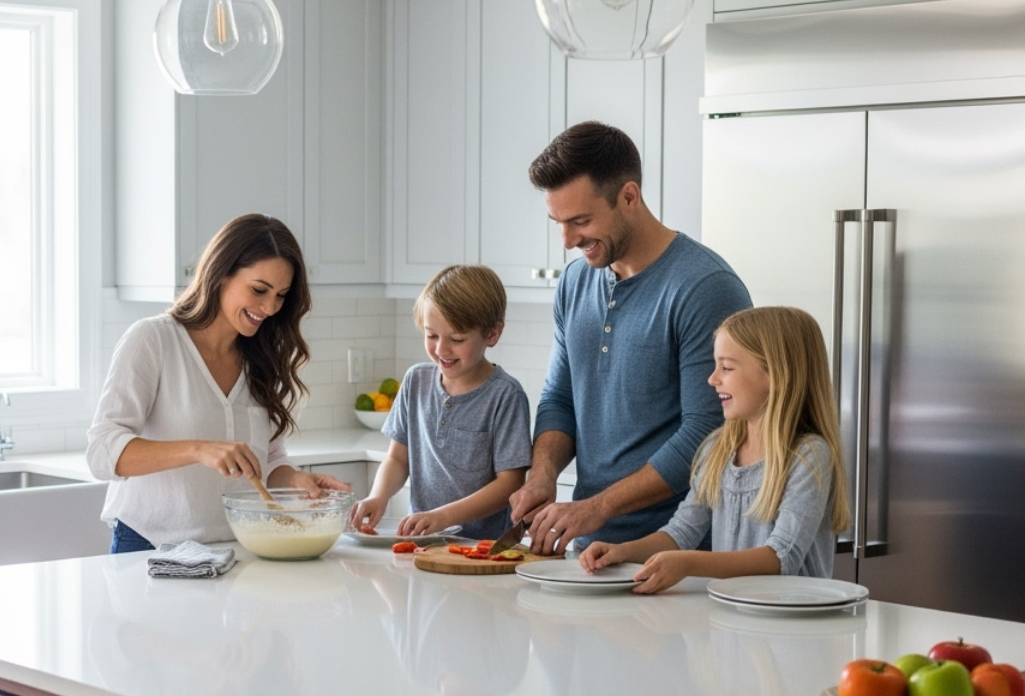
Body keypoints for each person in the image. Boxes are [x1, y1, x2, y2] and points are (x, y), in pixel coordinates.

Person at [509, 121, 752, 555]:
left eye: (580, 221)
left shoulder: (704, 287)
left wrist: (598, 507)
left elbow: (707, 432)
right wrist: (543, 474)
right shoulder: (574, 283)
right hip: (589, 551)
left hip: (680, 555)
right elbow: (559, 398)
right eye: (558, 223)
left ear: (629, 197)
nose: (567, 241)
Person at [87, 214, 347, 553]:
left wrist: (295, 481)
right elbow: (102, 453)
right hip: (151, 547)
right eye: (258, 290)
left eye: (281, 295)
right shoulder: (153, 340)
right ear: (221, 273)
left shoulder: (263, 357)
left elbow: (268, 458)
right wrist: (199, 449)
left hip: (236, 549)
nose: (270, 307)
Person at [579, 306, 851, 593]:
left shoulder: (808, 456)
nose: (712, 378)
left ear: (774, 374)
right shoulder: (718, 450)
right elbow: (681, 533)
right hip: (735, 618)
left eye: (727, 367)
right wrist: (622, 552)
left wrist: (689, 564)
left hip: (796, 630)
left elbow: (781, 557)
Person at [350, 264, 531, 539]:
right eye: (431, 335)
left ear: (492, 334)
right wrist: (379, 496)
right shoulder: (416, 381)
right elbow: (398, 459)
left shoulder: (505, 396)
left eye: (457, 339)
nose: (441, 349)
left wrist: (443, 516)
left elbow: (510, 484)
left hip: (481, 550)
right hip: (422, 543)